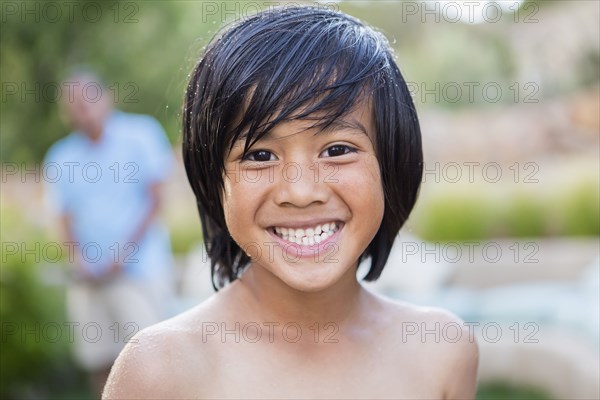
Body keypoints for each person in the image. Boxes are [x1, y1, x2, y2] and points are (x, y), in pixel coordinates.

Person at [104, 6, 478, 399]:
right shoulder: (161, 369)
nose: (300, 193)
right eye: (260, 155)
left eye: (336, 149)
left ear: (392, 162)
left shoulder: (440, 351)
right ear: (213, 179)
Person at [44, 70, 175, 396]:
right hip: (88, 278)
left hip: (139, 272)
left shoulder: (142, 134)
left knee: (149, 356)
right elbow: (63, 219)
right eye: (73, 105)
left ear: (107, 97)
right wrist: (78, 259)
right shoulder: (60, 157)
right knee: (99, 360)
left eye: (88, 100)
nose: (82, 110)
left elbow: (157, 199)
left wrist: (123, 254)